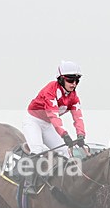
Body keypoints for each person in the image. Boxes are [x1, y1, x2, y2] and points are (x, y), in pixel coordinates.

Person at [22, 60, 87, 194]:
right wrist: (64, 134)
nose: (74, 84)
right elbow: (54, 116)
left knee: (65, 151)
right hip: (33, 121)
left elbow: (78, 117)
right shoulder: (50, 90)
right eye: (70, 80)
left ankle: (67, 185)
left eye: (77, 80)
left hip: (47, 125)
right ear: (61, 79)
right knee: (37, 149)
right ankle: (29, 185)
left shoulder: (73, 97)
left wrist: (81, 135)